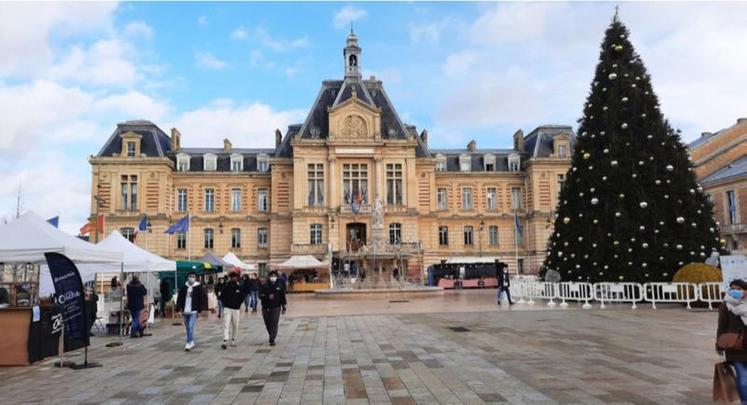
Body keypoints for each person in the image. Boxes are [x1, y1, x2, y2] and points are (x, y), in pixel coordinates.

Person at [717, 279, 747, 401]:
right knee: (743, 376)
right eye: (732, 289)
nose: (735, 291)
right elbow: (722, 326)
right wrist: (719, 345)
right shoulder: (726, 305)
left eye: (738, 289)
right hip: (735, 346)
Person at [176, 272, 203, 351]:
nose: (191, 278)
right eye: (190, 276)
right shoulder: (184, 287)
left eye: (193, 276)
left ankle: (188, 342)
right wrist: (178, 308)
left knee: (191, 326)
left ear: (195, 278)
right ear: (188, 277)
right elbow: (180, 297)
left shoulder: (198, 287)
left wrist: (199, 309)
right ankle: (191, 341)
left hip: (193, 310)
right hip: (185, 310)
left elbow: (200, 298)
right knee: (187, 327)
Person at [259, 271, 287, 346]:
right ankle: (271, 334)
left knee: (274, 323)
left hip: (276, 307)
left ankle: (272, 338)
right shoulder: (264, 286)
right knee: (267, 323)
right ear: (269, 277)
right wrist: (267, 297)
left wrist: (284, 306)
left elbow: (282, 297)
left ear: (277, 277)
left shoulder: (280, 286)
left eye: (274, 276)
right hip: (266, 307)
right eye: (271, 276)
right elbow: (260, 295)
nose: (273, 277)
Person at [220, 271, 244, 349]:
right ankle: (225, 340)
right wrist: (226, 304)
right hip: (227, 308)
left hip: (236, 309)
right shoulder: (226, 287)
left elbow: (242, 297)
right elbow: (222, 297)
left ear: (237, 278)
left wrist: (238, 304)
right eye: (232, 277)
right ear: (230, 278)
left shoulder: (239, 287)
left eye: (235, 277)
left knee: (235, 325)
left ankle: (233, 339)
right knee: (226, 324)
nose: (233, 278)